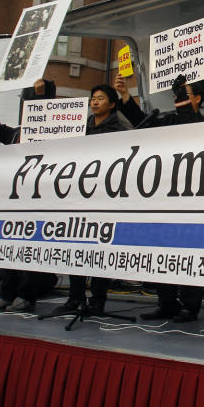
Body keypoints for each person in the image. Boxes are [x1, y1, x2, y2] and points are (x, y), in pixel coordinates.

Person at [114, 74, 204, 323]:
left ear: (197, 99)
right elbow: (141, 123)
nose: (180, 100)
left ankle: (190, 306)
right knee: (161, 251)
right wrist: (125, 96)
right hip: (165, 198)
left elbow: (191, 128)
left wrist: (180, 100)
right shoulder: (169, 120)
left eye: (185, 94)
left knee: (187, 255)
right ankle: (166, 302)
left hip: (192, 201)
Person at [49, 84, 131, 316]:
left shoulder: (120, 128)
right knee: (76, 248)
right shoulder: (81, 128)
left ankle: (98, 300)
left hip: (105, 198)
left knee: (99, 252)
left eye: (101, 98)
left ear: (112, 104)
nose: (95, 102)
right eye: (93, 98)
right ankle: (74, 298)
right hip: (80, 196)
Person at [0, 78, 59, 312]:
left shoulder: (53, 133)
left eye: (32, 103)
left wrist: (41, 96)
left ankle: (26, 296)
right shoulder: (15, 135)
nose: (29, 109)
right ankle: (7, 293)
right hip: (13, 200)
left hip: (39, 202)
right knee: (8, 249)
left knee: (30, 253)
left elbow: (42, 115)